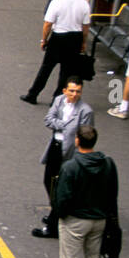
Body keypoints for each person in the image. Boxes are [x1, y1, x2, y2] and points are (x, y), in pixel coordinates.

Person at [36, 124, 118, 258]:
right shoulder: (108, 163)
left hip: (75, 221)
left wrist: (62, 216)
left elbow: (62, 199)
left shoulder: (70, 167)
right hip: (99, 221)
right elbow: (112, 193)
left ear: (77, 141)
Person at [33, 76, 95, 239]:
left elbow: (85, 134)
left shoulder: (86, 111)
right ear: (65, 91)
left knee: (61, 186)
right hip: (56, 146)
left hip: (70, 153)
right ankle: (56, 210)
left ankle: (53, 224)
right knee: (49, 180)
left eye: (78, 91)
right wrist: (64, 125)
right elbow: (48, 120)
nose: (74, 94)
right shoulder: (59, 100)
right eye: (72, 91)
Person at [21, 0, 91, 105]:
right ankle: (57, 99)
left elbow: (48, 24)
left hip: (58, 37)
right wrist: (83, 42)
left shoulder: (57, 2)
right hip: (75, 38)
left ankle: (33, 94)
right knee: (66, 71)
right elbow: (85, 27)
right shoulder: (84, 3)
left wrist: (44, 40)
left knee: (46, 68)